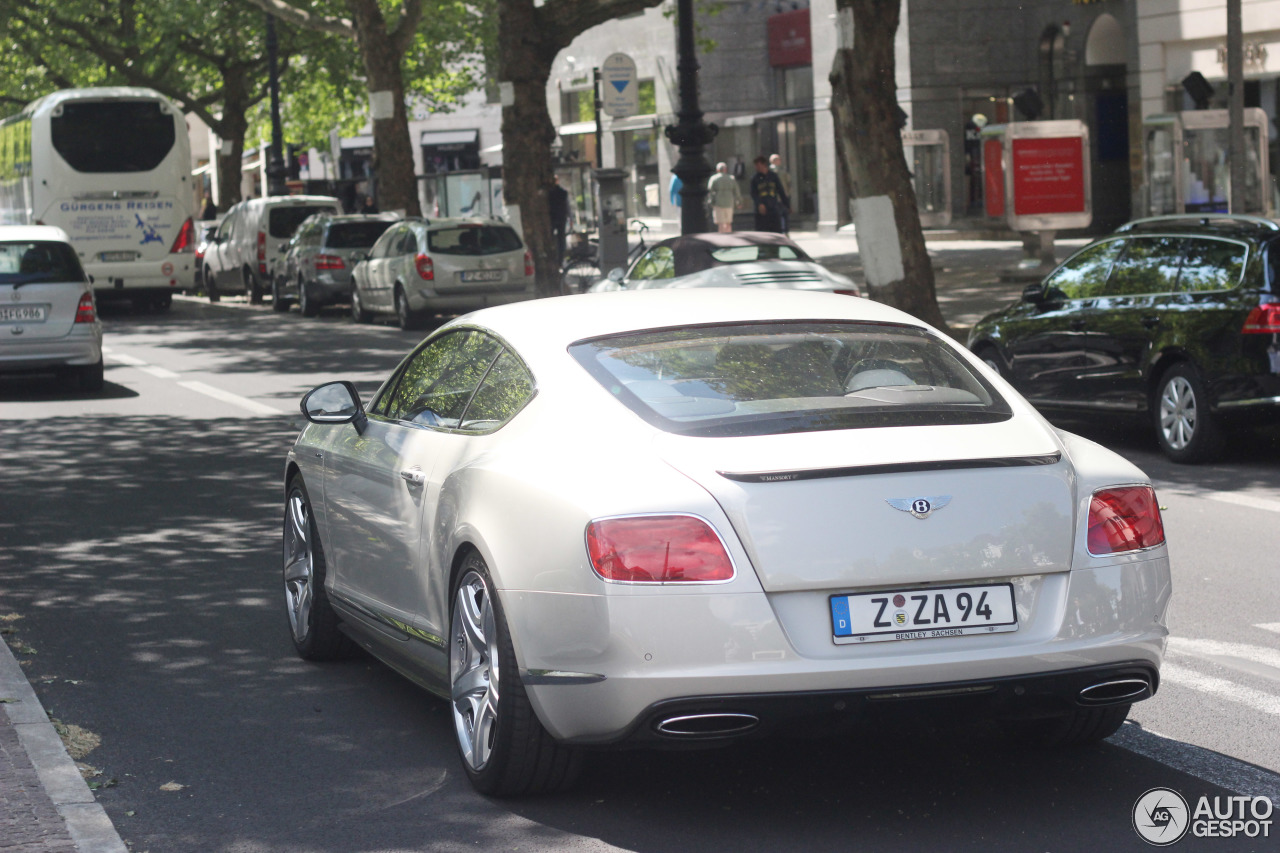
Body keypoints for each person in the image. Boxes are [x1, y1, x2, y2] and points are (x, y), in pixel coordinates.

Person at [749, 155, 789, 233]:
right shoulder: (755, 178)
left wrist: (787, 204)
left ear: (764, 165)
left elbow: (780, 191)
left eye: (758, 165)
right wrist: (759, 204)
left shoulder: (773, 176)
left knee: (776, 231)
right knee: (762, 232)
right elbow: (754, 194)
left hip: (773, 208)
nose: (756, 167)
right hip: (761, 211)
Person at [707, 162, 741, 233]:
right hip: (729, 202)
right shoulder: (731, 178)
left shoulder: (713, 178)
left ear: (717, 170)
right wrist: (739, 201)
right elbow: (737, 191)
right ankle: (729, 236)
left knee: (721, 223)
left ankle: (722, 237)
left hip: (718, 202)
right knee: (728, 222)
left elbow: (710, 191)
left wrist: (711, 201)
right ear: (725, 169)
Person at [548, 175, 570, 266]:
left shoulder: (549, 193)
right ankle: (560, 260)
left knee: (551, 239)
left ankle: (553, 258)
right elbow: (566, 206)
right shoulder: (563, 192)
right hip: (561, 218)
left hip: (552, 218)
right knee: (561, 240)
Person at [769, 154, 792, 233]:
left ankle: (781, 231)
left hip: (775, 197)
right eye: (778, 160)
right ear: (774, 161)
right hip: (779, 197)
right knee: (783, 215)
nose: (780, 161)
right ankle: (783, 231)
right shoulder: (779, 170)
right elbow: (788, 182)